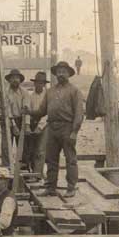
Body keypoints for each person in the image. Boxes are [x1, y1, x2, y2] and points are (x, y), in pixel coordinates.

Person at [35, 60, 84, 198]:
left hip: (67, 128)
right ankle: (50, 187)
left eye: (64, 71)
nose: (61, 74)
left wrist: (75, 131)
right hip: (52, 128)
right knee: (50, 159)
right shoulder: (50, 91)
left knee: (70, 159)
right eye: (59, 71)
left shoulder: (74, 91)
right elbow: (41, 110)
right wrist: (29, 112)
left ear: (69, 74)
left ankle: (71, 187)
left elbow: (79, 113)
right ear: (55, 74)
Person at [1, 68, 31, 165]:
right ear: (9, 80)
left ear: (20, 80)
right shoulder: (5, 92)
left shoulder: (24, 92)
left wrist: (26, 125)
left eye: (17, 78)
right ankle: (6, 168)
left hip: (20, 119)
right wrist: (13, 125)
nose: (15, 80)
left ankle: (24, 169)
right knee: (6, 147)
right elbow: (7, 109)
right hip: (8, 119)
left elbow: (26, 109)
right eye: (13, 78)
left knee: (23, 147)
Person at [27, 71, 49, 176]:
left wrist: (40, 127)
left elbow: (48, 113)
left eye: (41, 83)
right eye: (37, 82)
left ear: (44, 84)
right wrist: (29, 125)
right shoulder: (30, 95)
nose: (39, 84)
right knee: (30, 148)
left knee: (41, 150)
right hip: (32, 122)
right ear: (34, 83)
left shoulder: (48, 95)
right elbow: (27, 110)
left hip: (44, 124)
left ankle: (38, 173)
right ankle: (31, 171)